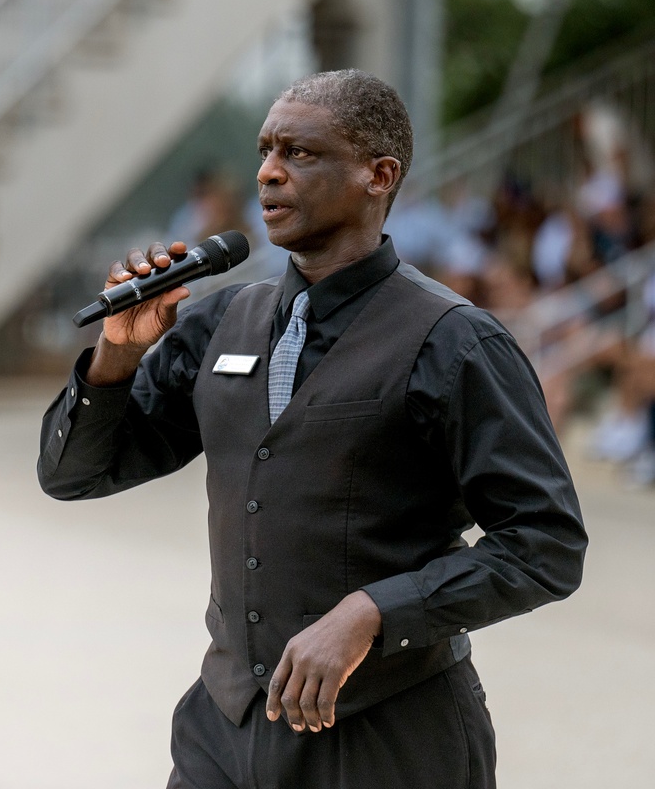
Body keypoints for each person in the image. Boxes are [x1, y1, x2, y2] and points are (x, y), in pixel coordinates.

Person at [37, 70, 587, 788]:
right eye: (266, 150)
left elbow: (546, 544)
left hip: (388, 737)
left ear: (378, 175)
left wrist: (376, 611)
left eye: (301, 153)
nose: (268, 171)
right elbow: (75, 474)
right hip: (223, 732)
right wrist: (115, 355)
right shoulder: (216, 322)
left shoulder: (455, 342)